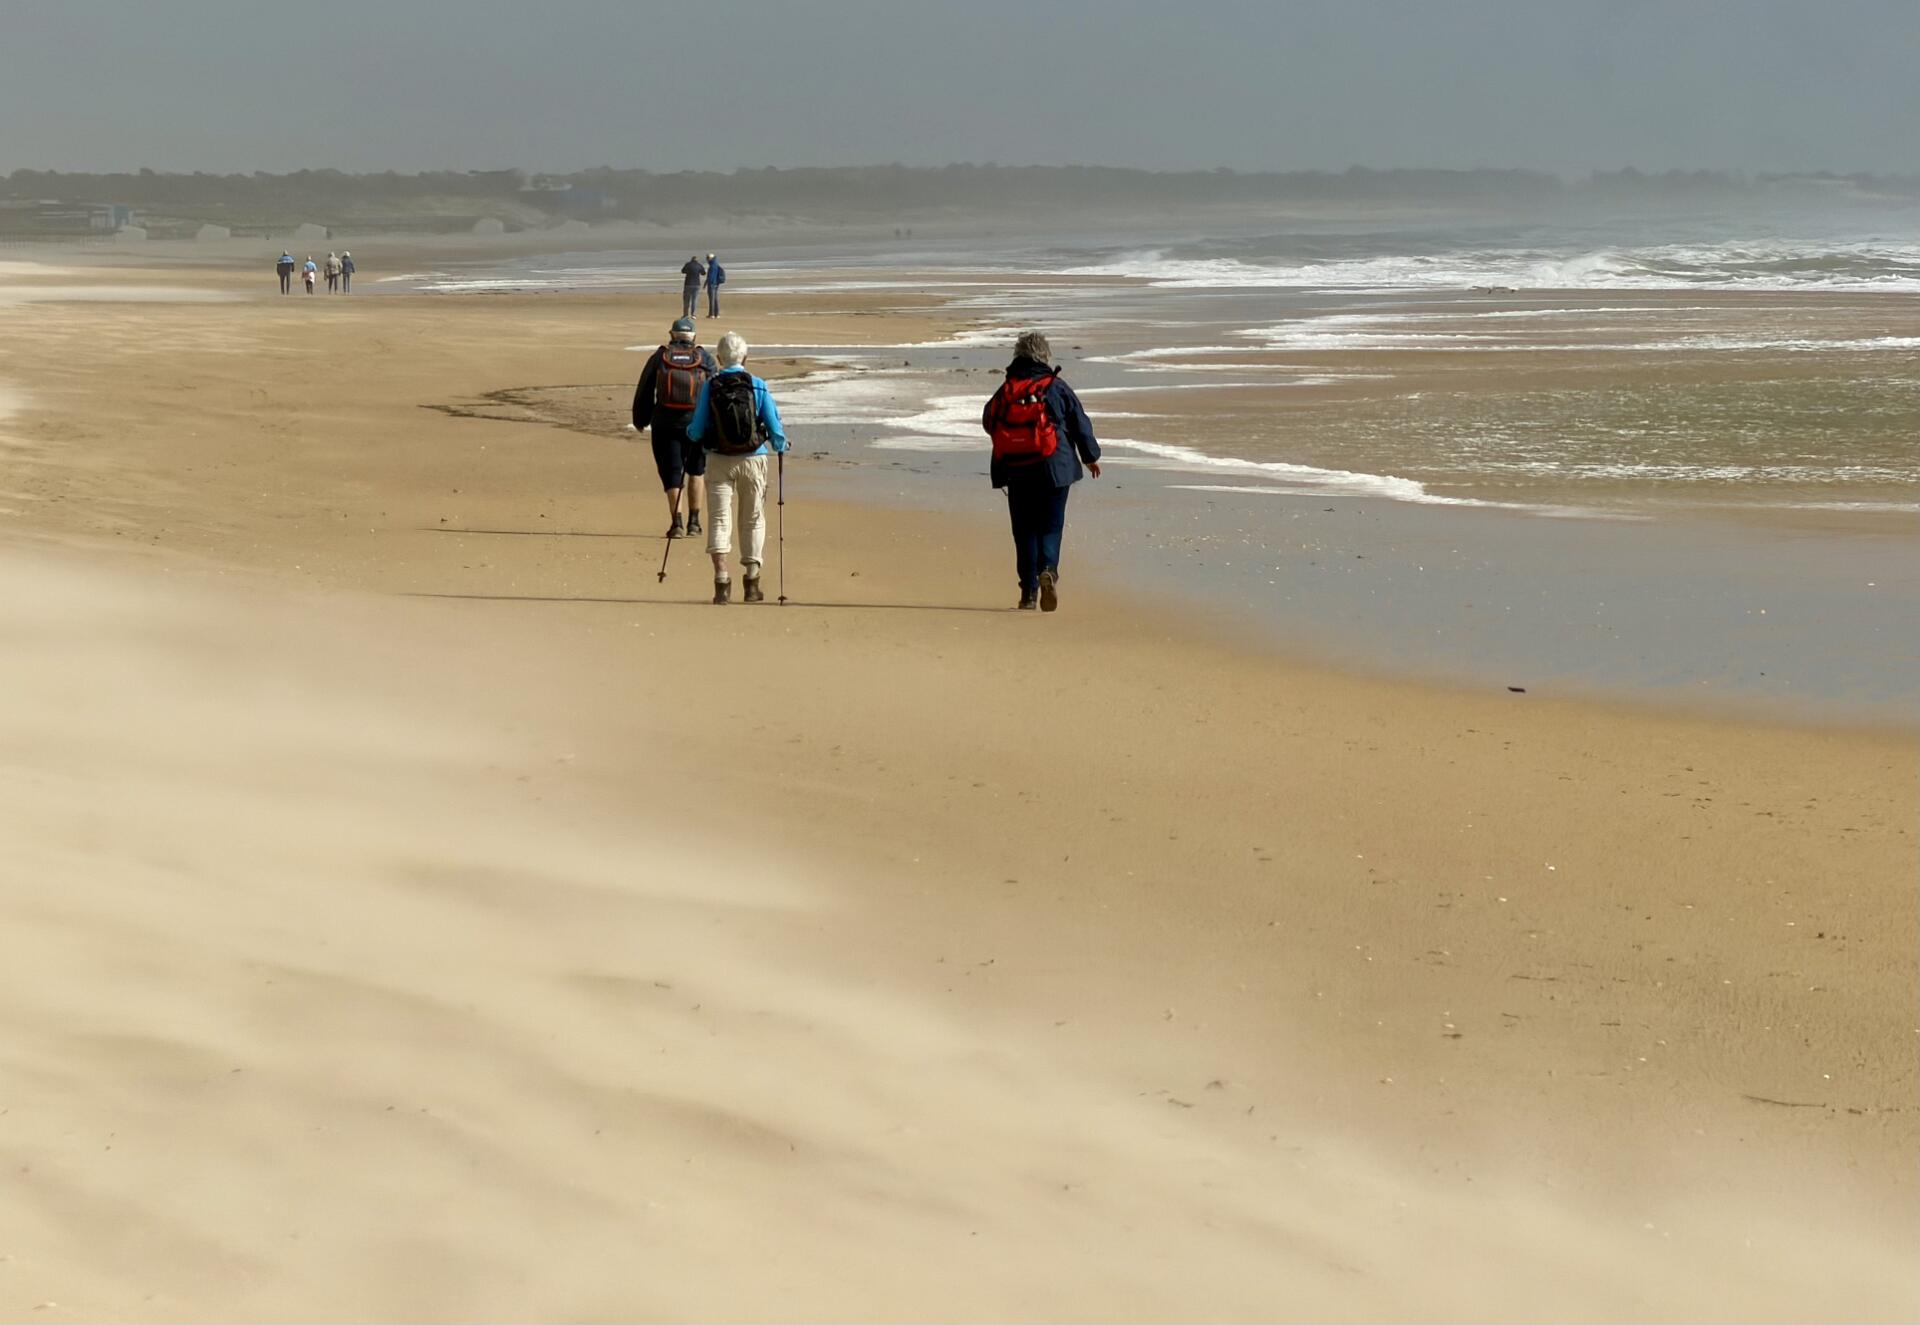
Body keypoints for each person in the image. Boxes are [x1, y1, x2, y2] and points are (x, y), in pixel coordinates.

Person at [981, 330, 1101, 611]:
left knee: (1023, 530)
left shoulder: (1008, 389)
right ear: (1045, 355)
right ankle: (1048, 570)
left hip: (1016, 467)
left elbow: (989, 421)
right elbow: (1079, 422)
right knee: (1050, 525)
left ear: (1018, 355)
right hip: (1054, 467)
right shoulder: (1055, 386)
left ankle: (1028, 593)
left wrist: (1014, 440)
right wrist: (1090, 457)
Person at [686, 332, 786, 605]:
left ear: (719, 359)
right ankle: (752, 583)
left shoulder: (711, 386)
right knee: (752, 518)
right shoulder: (758, 385)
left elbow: (696, 428)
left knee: (720, 518)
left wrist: (692, 435)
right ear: (745, 358)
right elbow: (774, 427)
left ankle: (722, 581)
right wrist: (780, 444)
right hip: (753, 459)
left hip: (719, 460)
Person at [631, 317, 718, 538]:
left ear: (672, 335)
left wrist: (641, 419)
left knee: (672, 472)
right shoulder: (704, 358)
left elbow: (645, 389)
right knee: (696, 470)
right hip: (697, 424)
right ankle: (694, 523)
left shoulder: (660, 357)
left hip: (665, 424)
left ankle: (676, 522)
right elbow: (716, 391)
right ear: (694, 337)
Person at [679, 254, 706, 319]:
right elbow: (703, 273)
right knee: (694, 300)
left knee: (686, 300)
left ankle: (685, 314)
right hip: (696, 284)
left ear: (691, 260)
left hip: (688, 284)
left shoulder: (688, 264)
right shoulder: (699, 265)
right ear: (697, 260)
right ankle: (693, 314)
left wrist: (688, 271)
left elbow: (683, 271)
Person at [705, 252, 726, 317]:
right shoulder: (715, 264)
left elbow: (711, 276)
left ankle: (712, 314)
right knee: (715, 299)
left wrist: (709, 283)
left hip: (712, 284)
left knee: (712, 299)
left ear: (710, 258)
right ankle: (716, 313)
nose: (706, 259)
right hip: (716, 283)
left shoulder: (712, 265)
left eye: (707, 258)